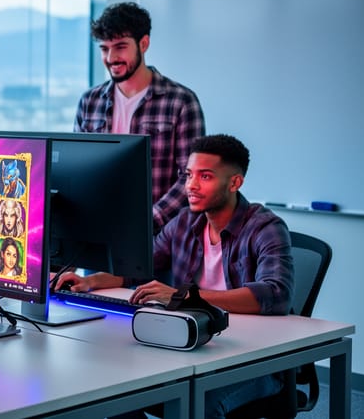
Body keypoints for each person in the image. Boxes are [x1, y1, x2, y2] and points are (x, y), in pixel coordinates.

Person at [52, 134, 294, 418]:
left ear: (234, 183)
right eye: (189, 175)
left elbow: (276, 294)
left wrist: (183, 296)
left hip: (255, 359)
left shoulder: (265, 227)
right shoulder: (185, 222)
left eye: (205, 177)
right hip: (193, 343)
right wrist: (90, 281)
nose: (191, 185)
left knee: (198, 407)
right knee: (112, 388)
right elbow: (140, 266)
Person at [74, 2, 205, 231]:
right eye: (105, 49)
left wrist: (146, 221)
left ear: (143, 44)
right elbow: (78, 170)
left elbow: (190, 179)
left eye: (120, 47)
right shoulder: (89, 102)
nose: (111, 57)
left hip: (160, 239)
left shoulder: (181, 102)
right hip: (99, 232)